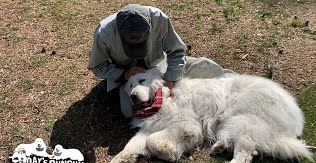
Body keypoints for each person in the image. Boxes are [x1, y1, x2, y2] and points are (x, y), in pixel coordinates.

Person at [88, 4, 233, 118]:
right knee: (129, 111)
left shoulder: (159, 19)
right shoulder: (104, 32)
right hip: (128, 78)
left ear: (150, 26)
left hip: (158, 65)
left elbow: (176, 51)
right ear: (119, 32)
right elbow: (98, 66)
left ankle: (232, 82)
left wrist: (170, 81)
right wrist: (124, 74)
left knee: (205, 66)